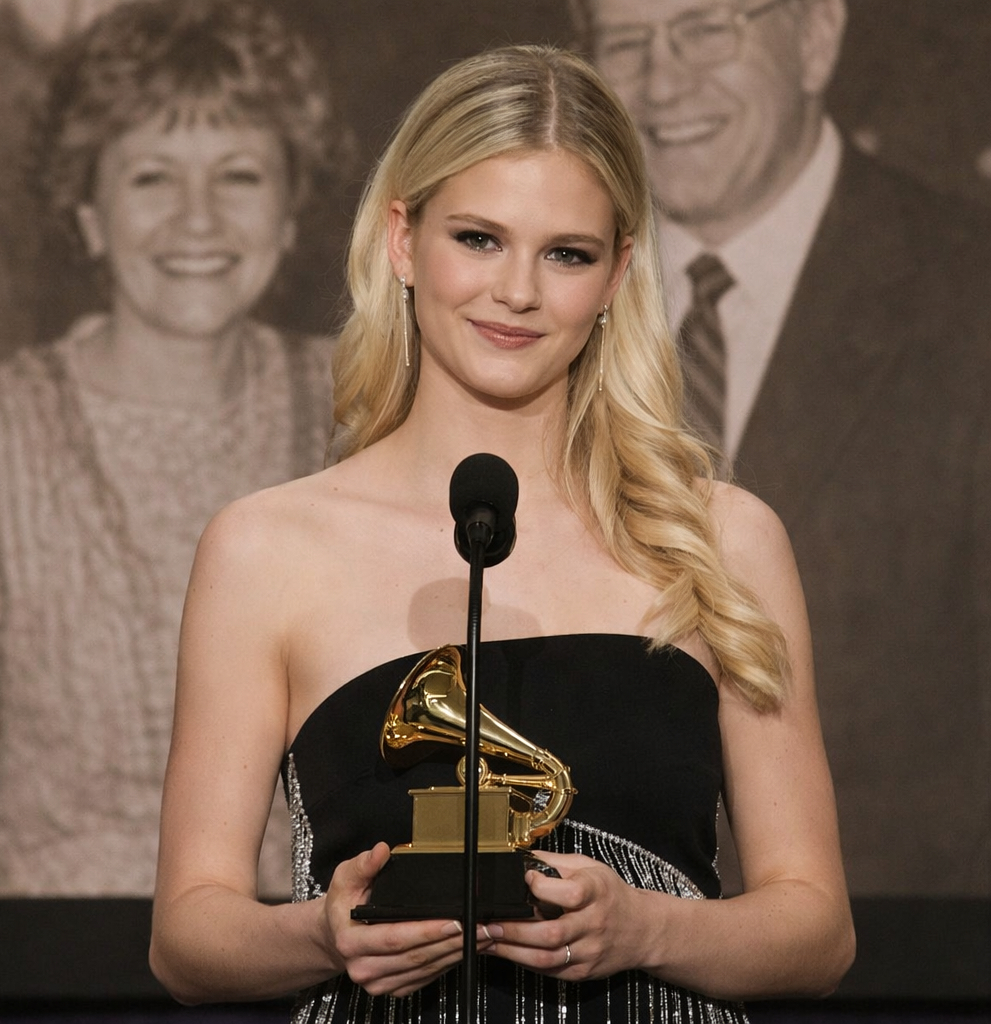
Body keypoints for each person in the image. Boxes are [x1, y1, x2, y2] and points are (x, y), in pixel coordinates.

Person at [149, 44, 854, 1021]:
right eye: (478, 238)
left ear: (618, 275)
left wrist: (647, 930)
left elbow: (815, 929)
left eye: (566, 252)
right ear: (403, 239)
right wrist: (319, 933)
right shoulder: (264, 549)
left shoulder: (721, 539)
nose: (516, 291)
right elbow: (188, 935)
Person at [571, 0, 991, 898]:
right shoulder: (534, 294)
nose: (662, 80)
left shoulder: (969, 292)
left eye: (706, 30)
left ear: (815, 39)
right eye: (627, 43)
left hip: (901, 945)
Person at [0, 0, 344, 897]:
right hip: (55, 972)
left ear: (292, 210)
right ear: (88, 212)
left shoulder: (363, 407)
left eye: (240, 176)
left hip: (313, 966)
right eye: (150, 178)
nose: (198, 220)